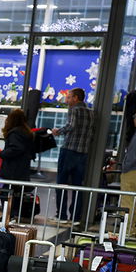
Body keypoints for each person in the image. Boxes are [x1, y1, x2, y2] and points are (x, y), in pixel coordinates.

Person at [51, 87, 95, 224]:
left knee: (62, 183)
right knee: (78, 185)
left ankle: (62, 215)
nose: (66, 99)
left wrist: (58, 131)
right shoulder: (91, 113)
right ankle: (75, 217)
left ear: (76, 98)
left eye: (69, 97)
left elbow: (71, 126)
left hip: (69, 150)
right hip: (83, 152)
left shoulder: (74, 109)